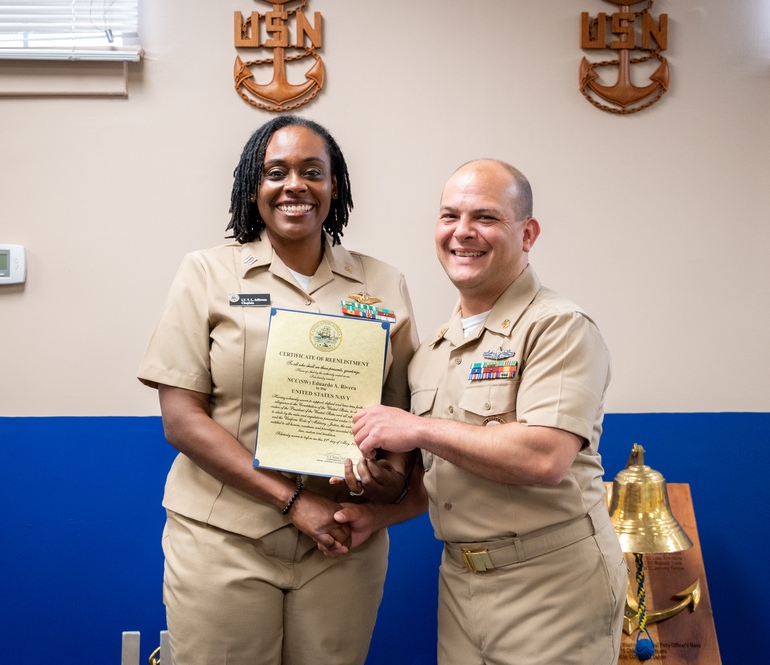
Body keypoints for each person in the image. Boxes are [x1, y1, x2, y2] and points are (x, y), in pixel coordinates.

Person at [137, 115, 419, 665]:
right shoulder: (207, 274)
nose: (295, 185)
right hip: (223, 536)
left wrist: (391, 478)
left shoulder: (385, 284)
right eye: (276, 172)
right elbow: (181, 418)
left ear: (333, 187)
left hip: (340, 540)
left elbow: (401, 412)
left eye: (313, 171)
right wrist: (292, 501)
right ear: (253, 187)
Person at [347, 159, 628, 665]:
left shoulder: (559, 327)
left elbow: (544, 457)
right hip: (461, 582)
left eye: (486, 217)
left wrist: (417, 428)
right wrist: (376, 516)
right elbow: (440, 484)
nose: (463, 232)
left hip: (553, 584)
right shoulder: (432, 352)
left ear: (528, 233)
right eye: (449, 216)